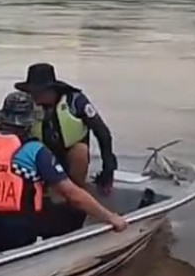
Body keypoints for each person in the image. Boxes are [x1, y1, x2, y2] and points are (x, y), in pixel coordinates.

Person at [0, 91, 128, 255]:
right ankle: (61, 251)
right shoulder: (34, 150)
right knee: (72, 210)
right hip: (13, 235)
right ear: (30, 122)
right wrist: (110, 217)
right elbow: (72, 194)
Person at [14, 63, 118, 194]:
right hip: (42, 157)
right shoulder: (27, 105)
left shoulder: (75, 101)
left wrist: (108, 169)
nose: (34, 96)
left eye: (37, 92)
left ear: (50, 89)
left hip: (70, 157)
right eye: (31, 92)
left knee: (80, 151)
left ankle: (75, 196)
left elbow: (102, 132)